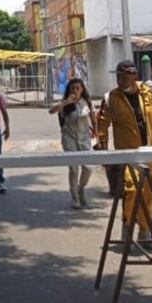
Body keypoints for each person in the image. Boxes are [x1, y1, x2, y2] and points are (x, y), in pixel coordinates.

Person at [97, 60, 152, 248]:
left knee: (147, 193)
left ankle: (145, 234)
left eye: (124, 76)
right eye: (118, 76)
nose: (120, 80)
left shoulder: (149, 94)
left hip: (148, 153)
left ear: (134, 76)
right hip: (127, 155)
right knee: (131, 190)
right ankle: (126, 232)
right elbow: (102, 125)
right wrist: (103, 150)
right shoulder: (111, 98)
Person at [49, 78, 97, 209]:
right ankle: (75, 196)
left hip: (85, 139)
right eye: (72, 88)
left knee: (88, 168)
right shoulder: (65, 103)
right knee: (73, 169)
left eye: (78, 88)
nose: (75, 91)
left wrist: (98, 137)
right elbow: (51, 111)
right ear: (69, 90)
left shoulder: (87, 102)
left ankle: (81, 188)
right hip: (69, 139)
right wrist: (66, 102)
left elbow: (94, 120)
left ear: (82, 89)